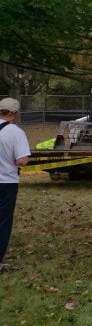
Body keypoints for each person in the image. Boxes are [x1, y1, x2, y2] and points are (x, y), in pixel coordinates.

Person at [0, 97, 31, 268]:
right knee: (3, 220)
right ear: (15, 113)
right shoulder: (16, 133)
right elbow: (21, 161)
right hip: (6, 182)